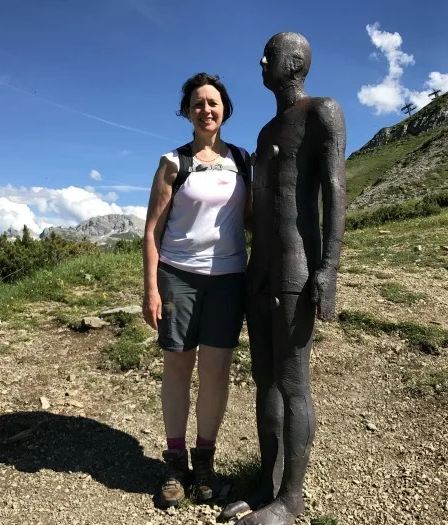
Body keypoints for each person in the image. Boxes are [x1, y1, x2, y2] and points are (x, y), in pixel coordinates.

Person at [219, 32, 346, 525]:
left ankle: (291, 502)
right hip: (260, 271)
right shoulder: (265, 132)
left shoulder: (323, 112)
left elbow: (335, 192)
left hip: (295, 270)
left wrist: (329, 267)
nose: (261, 60)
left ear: (294, 63)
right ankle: (267, 486)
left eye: (269, 55)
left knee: (293, 386)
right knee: (263, 381)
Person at [142, 72, 252, 509]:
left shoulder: (245, 161)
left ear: (224, 108)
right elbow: (152, 231)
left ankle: (203, 461)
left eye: (213, 102)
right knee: (178, 368)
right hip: (179, 276)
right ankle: (174, 462)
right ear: (187, 112)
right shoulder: (173, 162)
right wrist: (151, 288)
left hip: (229, 279)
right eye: (197, 103)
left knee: (216, 373)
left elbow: (250, 221)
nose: (206, 109)